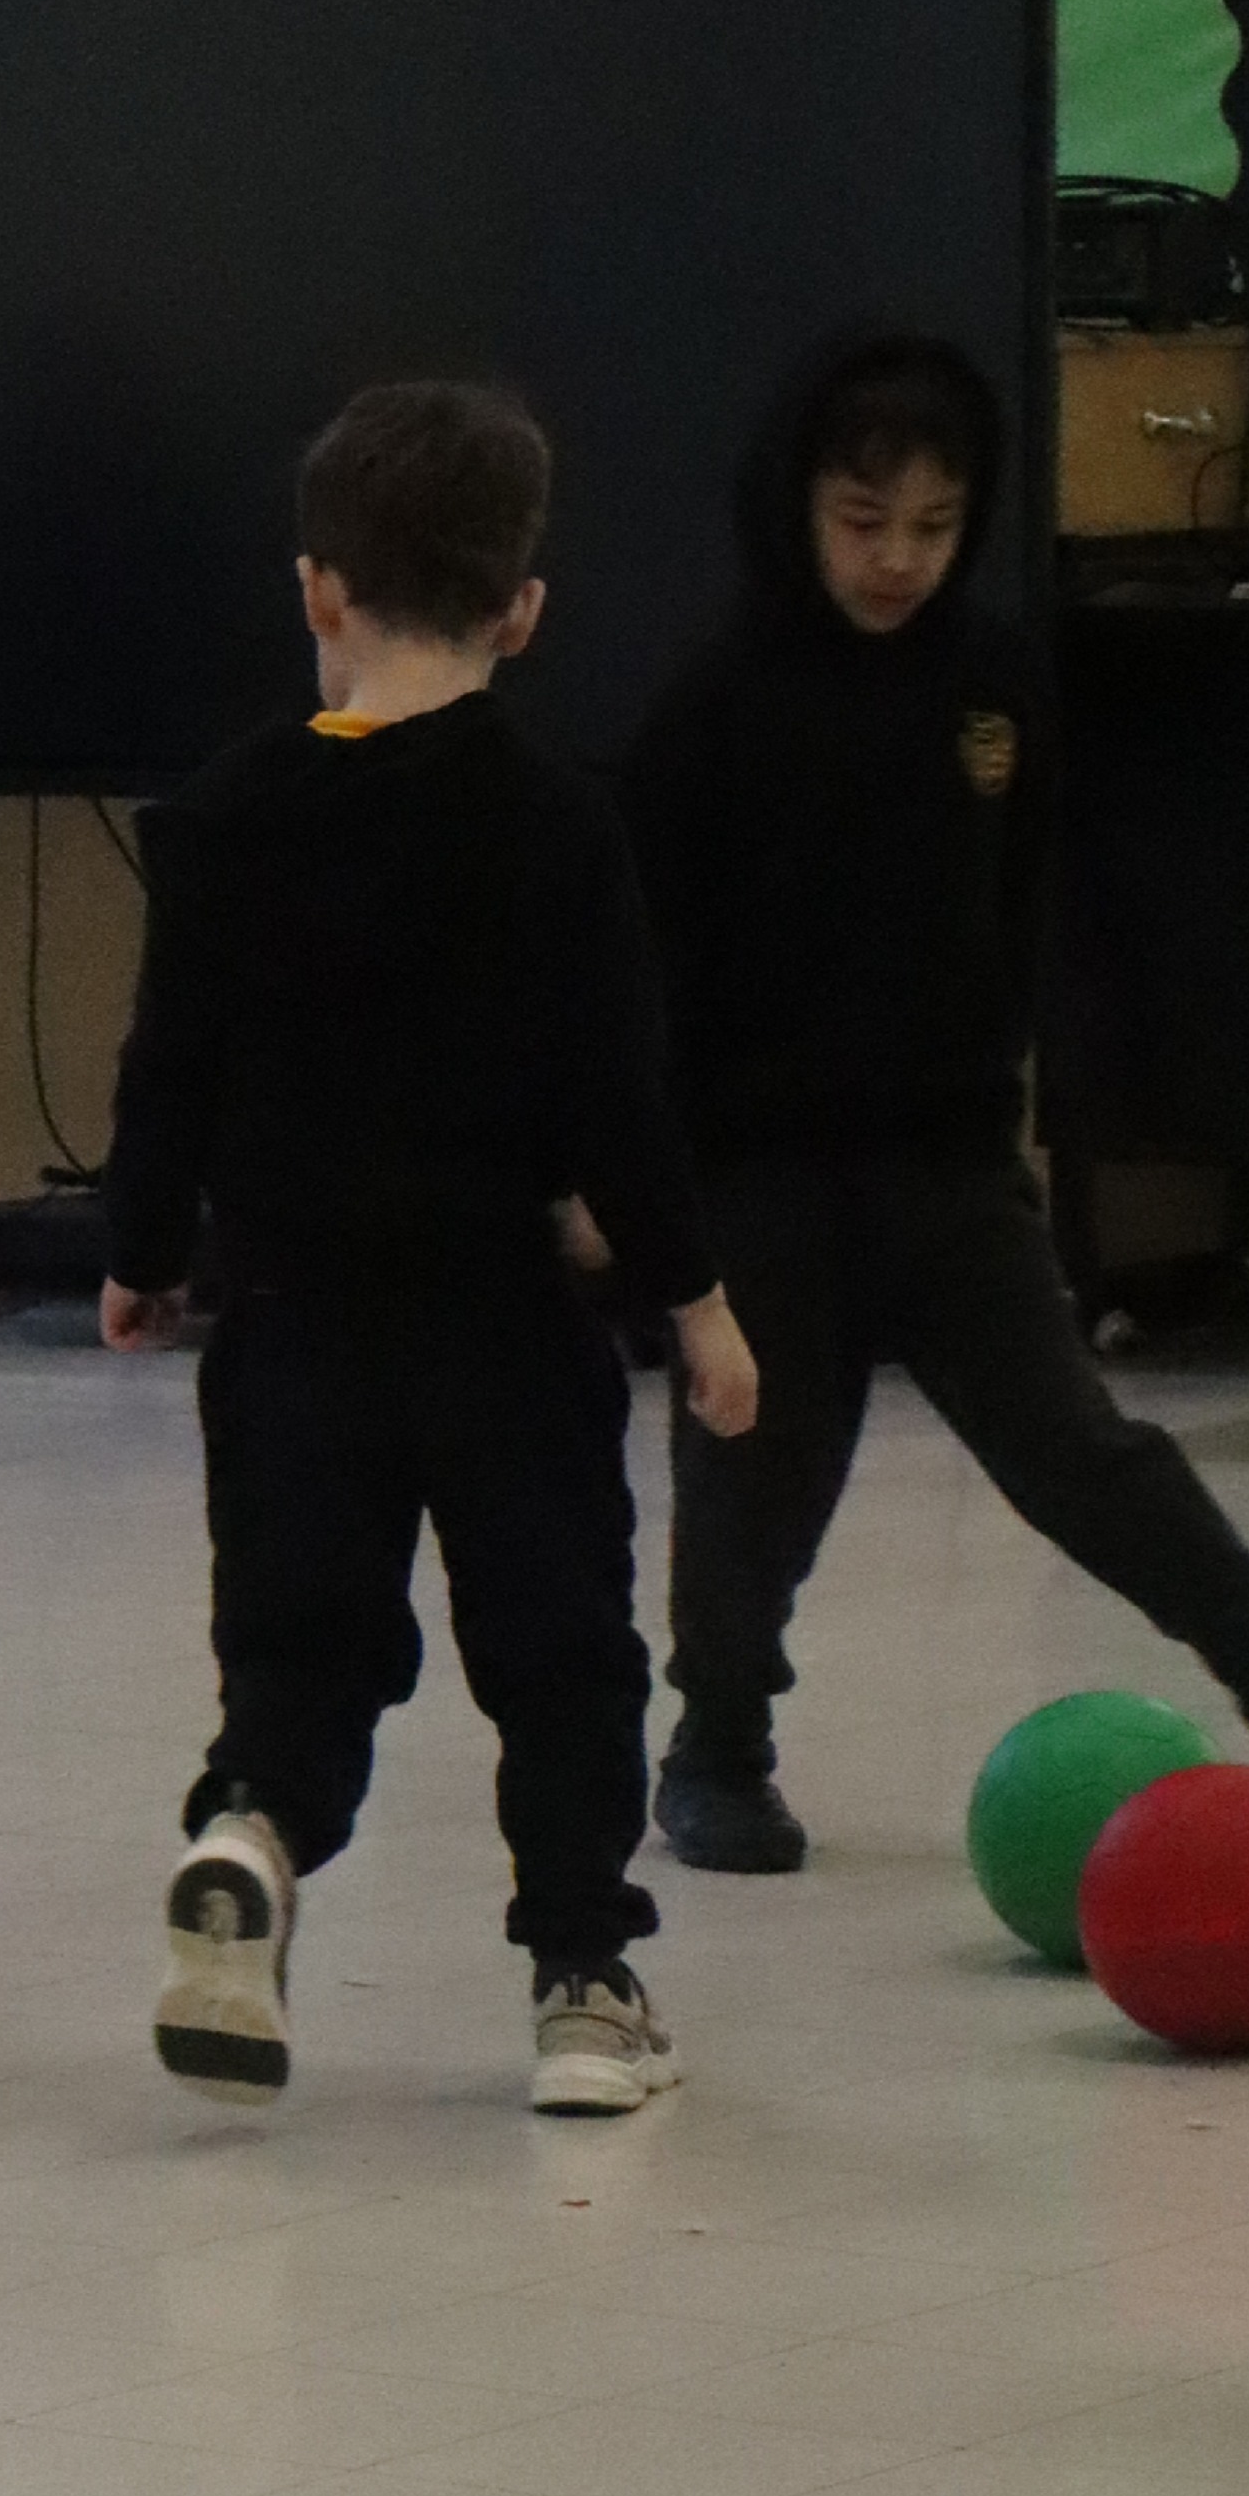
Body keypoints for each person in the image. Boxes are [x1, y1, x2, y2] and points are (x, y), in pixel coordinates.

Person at [625, 333, 1249, 1873]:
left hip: (947, 1170)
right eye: (864, 523)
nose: (898, 560)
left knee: (1082, 1450)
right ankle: (718, 1744)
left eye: (934, 526)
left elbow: (1018, 908)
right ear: (798, 506)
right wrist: (645, 1194)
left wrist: (1011, 1112)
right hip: (763, 1178)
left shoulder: (991, 685)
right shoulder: (711, 712)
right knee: (754, 1479)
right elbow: (644, 971)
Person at [102, 380, 759, 2118]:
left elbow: (170, 1063)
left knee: (300, 1641)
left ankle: (250, 1840)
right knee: (561, 1650)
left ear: (318, 589)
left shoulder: (222, 818)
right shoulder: (556, 823)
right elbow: (621, 1097)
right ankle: (583, 1984)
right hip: (501, 1325)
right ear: (522, 611)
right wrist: (697, 1301)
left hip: (290, 1323)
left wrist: (139, 1248)